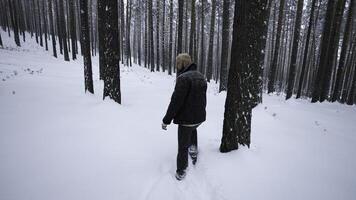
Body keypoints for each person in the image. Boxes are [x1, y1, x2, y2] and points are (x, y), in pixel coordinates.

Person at [162, 53, 207, 181]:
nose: (176, 66)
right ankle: (193, 150)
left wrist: (166, 120)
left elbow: (176, 101)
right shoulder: (201, 76)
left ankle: (181, 171)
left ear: (182, 64)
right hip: (199, 118)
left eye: (177, 63)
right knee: (193, 129)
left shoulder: (183, 78)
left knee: (182, 146)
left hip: (187, 119)